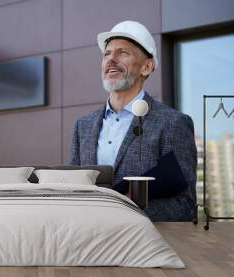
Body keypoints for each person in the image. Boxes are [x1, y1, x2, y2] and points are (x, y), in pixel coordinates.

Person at [70, 21, 197, 221]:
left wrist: (124, 215)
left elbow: (185, 205)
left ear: (147, 67)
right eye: (107, 53)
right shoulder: (82, 127)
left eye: (122, 53)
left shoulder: (173, 123)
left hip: (141, 245)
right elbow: (73, 192)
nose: (111, 59)